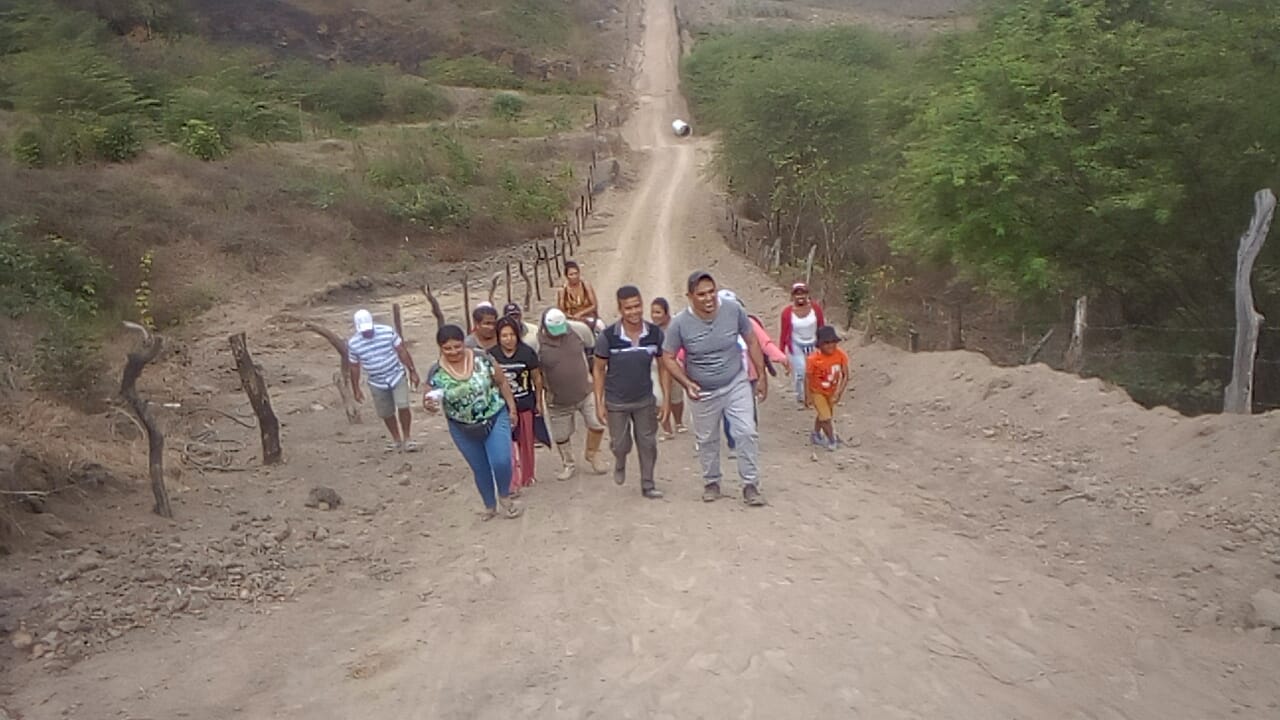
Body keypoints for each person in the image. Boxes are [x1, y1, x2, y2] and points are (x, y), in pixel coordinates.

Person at [661, 271, 768, 506]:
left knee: (746, 432)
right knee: (707, 438)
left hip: (735, 382)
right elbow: (668, 356)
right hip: (703, 391)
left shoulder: (733, 310)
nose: (709, 298)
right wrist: (686, 382)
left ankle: (750, 485)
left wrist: (761, 376)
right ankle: (711, 482)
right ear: (690, 296)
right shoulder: (679, 324)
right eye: (701, 294)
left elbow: (751, 340)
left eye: (712, 292)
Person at [423, 324, 523, 519]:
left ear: (464, 343)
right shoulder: (436, 372)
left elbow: (502, 382)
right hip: (461, 427)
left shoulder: (482, 358)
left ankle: (504, 496)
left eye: (457, 346)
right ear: (440, 348)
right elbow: (428, 399)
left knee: (501, 460)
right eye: (447, 348)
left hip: (495, 416)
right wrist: (430, 405)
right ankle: (489, 506)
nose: (453, 352)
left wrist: (512, 408)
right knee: (480, 468)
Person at [593, 285, 668, 499]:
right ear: (620, 309)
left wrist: (665, 400)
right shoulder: (608, 337)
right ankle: (620, 459)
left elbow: (664, 366)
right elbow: (598, 370)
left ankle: (648, 484)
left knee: (648, 443)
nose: (634, 312)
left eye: (637, 306)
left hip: (644, 399)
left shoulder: (654, 334)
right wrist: (599, 402)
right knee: (620, 444)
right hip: (616, 402)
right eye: (628, 308)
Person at [538, 308, 610, 479]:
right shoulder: (537, 343)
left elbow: (592, 352)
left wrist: (595, 378)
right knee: (561, 435)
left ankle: (592, 453)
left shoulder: (579, 330)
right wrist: (540, 399)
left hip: (585, 391)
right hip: (558, 400)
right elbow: (536, 374)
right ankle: (568, 463)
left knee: (597, 423)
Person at [716, 289, 789, 457]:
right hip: (725, 376)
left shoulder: (748, 323)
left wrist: (781, 357)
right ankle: (734, 444)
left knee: (749, 409)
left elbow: (764, 342)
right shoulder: (712, 326)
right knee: (728, 411)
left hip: (748, 376)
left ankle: (749, 439)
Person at [347, 309, 421, 453]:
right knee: (386, 412)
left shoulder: (387, 332)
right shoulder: (354, 344)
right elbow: (354, 366)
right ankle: (396, 439)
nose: (367, 333)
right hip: (376, 381)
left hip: (396, 374)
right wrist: (356, 388)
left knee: (403, 405)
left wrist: (412, 370)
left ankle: (407, 438)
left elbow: (401, 351)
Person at [489, 317, 544, 495]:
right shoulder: (491, 355)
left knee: (526, 443)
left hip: (525, 404)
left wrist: (539, 401)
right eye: (504, 335)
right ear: (498, 337)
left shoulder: (527, 353)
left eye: (512, 335)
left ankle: (528, 476)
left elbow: (537, 379)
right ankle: (512, 481)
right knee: (506, 446)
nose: (508, 339)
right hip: (501, 409)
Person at [779, 282, 825, 407]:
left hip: (813, 343)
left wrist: (823, 344)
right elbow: (783, 333)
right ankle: (801, 397)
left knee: (814, 372)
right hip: (796, 345)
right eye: (797, 294)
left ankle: (813, 396)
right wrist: (781, 353)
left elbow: (821, 326)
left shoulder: (816, 309)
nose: (800, 297)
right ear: (792, 296)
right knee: (801, 371)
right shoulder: (787, 313)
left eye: (803, 293)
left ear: (807, 294)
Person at [805, 325, 850, 450]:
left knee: (824, 414)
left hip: (831, 391)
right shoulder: (813, 359)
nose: (830, 345)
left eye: (833, 342)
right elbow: (807, 378)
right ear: (820, 344)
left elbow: (846, 375)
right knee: (826, 417)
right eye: (826, 343)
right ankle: (832, 439)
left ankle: (815, 434)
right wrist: (807, 396)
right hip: (817, 391)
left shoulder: (840, 355)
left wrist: (839, 392)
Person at [650, 297, 686, 438]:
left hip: (674, 366)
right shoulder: (651, 331)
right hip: (656, 367)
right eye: (653, 312)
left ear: (666, 313)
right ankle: (667, 429)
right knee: (659, 399)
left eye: (658, 312)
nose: (655, 316)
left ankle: (678, 422)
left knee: (676, 397)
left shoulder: (676, 326)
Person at [556, 260, 604, 332]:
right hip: (571, 321)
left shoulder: (586, 286)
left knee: (602, 327)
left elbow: (594, 305)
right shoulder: (562, 291)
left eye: (576, 273)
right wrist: (573, 317)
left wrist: (580, 314)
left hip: (588, 318)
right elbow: (560, 311)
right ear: (566, 276)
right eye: (571, 274)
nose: (574, 276)